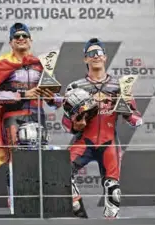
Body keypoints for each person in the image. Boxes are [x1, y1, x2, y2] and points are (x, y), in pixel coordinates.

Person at [62, 38, 143, 219]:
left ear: (105, 57)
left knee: (113, 192)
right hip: (84, 141)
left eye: (99, 52)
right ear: (85, 59)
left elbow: (136, 119)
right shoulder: (75, 87)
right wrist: (75, 125)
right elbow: (66, 122)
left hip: (109, 144)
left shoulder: (120, 86)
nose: (96, 56)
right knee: (61, 172)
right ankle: (79, 213)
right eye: (91, 53)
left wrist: (128, 111)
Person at [0, 22, 62, 209]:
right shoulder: (2, 65)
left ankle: (38, 206)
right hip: (13, 117)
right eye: (16, 37)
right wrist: (22, 95)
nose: (21, 39)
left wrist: (52, 97)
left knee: (39, 162)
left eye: (24, 36)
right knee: (16, 161)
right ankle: (16, 207)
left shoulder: (41, 65)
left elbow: (58, 100)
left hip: (38, 116)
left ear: (30, 41)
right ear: (11, 43)